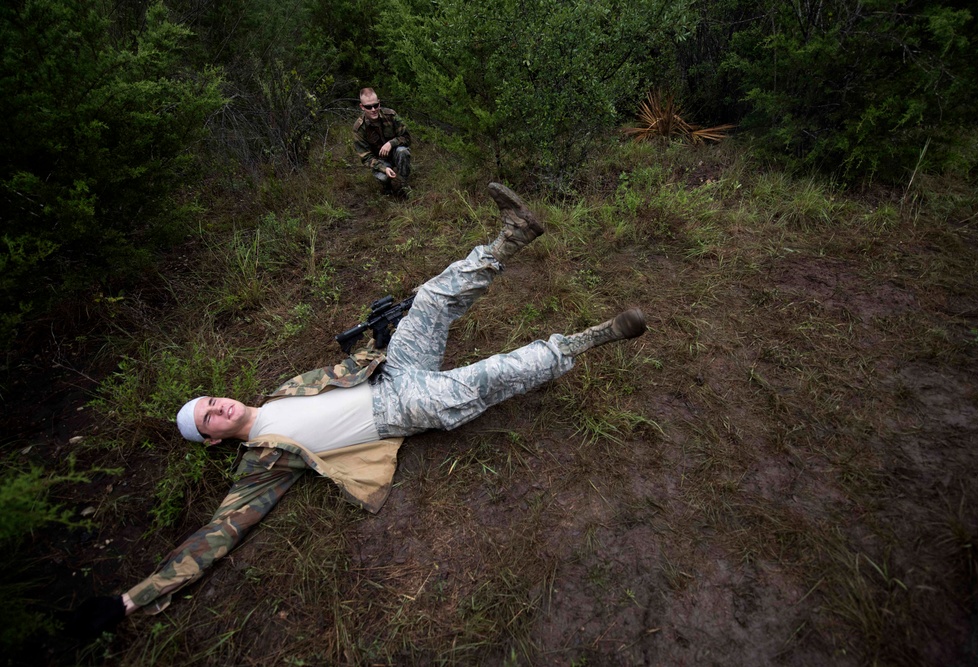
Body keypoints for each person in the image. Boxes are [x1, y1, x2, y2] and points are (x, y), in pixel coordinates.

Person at [71, 184, 646, 636]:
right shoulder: (261, 464)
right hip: (402, 408)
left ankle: (512, 236)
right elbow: (216, 535)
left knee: (430, 300)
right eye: (209, 419)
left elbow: (345, 370)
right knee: (491, 375)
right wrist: (129, 601)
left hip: (392, 368)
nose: (218, 407)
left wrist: (377, 341)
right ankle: (589, 340)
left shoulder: (280, 391)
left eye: (211, 401)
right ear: (216, 440)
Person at [353, 87, 412, 195]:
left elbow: (406, 137)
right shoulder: (360, 128)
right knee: (383, 177)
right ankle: (387, 187)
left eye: (376, 105)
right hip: (379, 160)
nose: (373, 109)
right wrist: (383, 168)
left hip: (395, 153)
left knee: (403, 151)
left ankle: (404, 185)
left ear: (379, 103)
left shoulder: (391, 115)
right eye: (368, 107)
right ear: (362, 107)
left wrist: (391, 143)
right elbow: (366, 157)